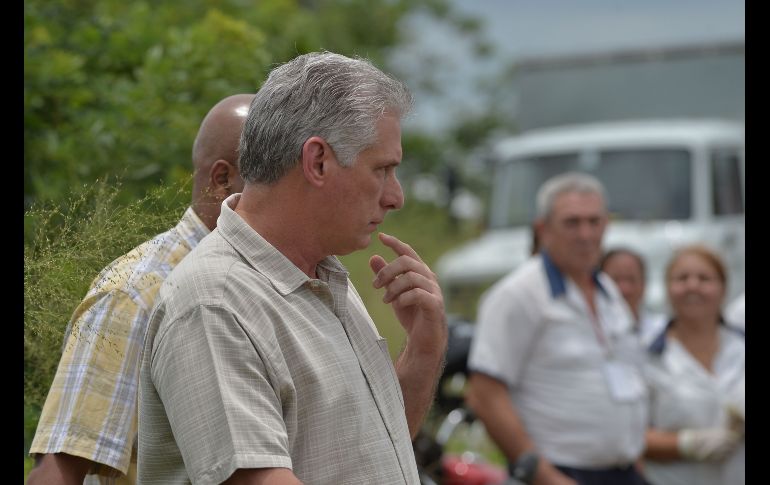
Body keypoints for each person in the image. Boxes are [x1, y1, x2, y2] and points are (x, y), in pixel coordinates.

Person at [137, 51, 448, 484]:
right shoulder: (216, 302)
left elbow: (377, 451)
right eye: (383, 170)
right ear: (317, 161)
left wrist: (424, 347)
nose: (396, 197)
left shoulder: (321, 273)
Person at [26, 93, 252, 485]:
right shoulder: (135, 295)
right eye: (272, 176)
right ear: (222, 179)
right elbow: (59, 472)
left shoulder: (257, 283)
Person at [465, 171, 648, 485]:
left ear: (607, 225)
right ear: (543, 229)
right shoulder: (518, 294)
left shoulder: (607, 290)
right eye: (572, 222)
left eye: (594, 222)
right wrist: (544, 475)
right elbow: (483, 395)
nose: (585, 234)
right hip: (561, 473)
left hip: (622, 470)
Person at [642, 244, 745, 485]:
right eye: (682, 278)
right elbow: (628, 437)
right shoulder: (648, 356)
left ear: (723, 289)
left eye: (704, 278)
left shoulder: (740, 347)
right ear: (667, 289)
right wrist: (686, 444)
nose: (693, 286)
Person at [600, 248, 667, 347]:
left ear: (644, 284)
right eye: (616, 280)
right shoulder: (585, 330)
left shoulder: (662, 330)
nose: (625, 289)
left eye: (631, 280)